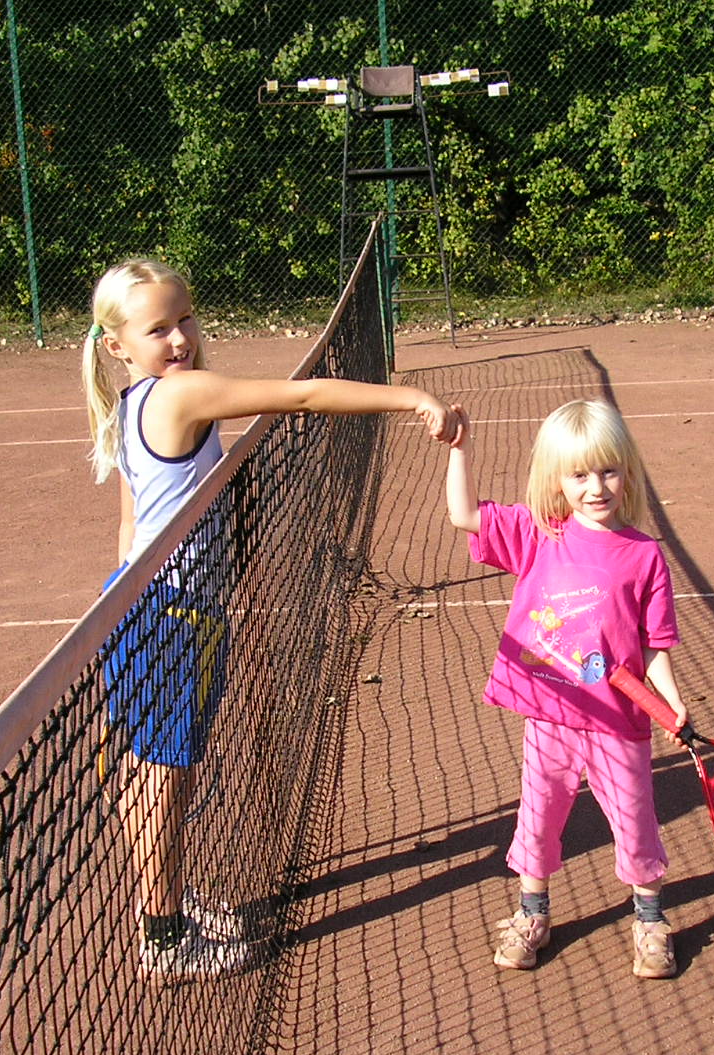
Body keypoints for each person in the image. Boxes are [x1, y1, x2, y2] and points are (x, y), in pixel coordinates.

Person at [83, 257, 459, 978]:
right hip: (174, 618)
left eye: (185, 318)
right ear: (117, 345)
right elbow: (305, 395)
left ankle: (165, 902)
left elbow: (129, 529)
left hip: (137, 605)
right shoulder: (182, 393)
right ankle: (164, 936)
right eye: (157, 329)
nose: (180, 338)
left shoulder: (132, 403)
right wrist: (409, 396)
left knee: (151, 769)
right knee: (164, 777)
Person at [445, 398, 689, 978]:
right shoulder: (537, 535)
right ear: (557, 478)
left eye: (607, 471)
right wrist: (460, 450)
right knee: (538, 816)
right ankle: (533, 912)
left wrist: (672, 700)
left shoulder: (645, 556)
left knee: (635, 822)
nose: (596, 487)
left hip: (617, 723)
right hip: (549, 718)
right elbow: (463, 515)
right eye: (579, 475)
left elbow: (654, 643)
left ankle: (650, 919)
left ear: (626, 471)